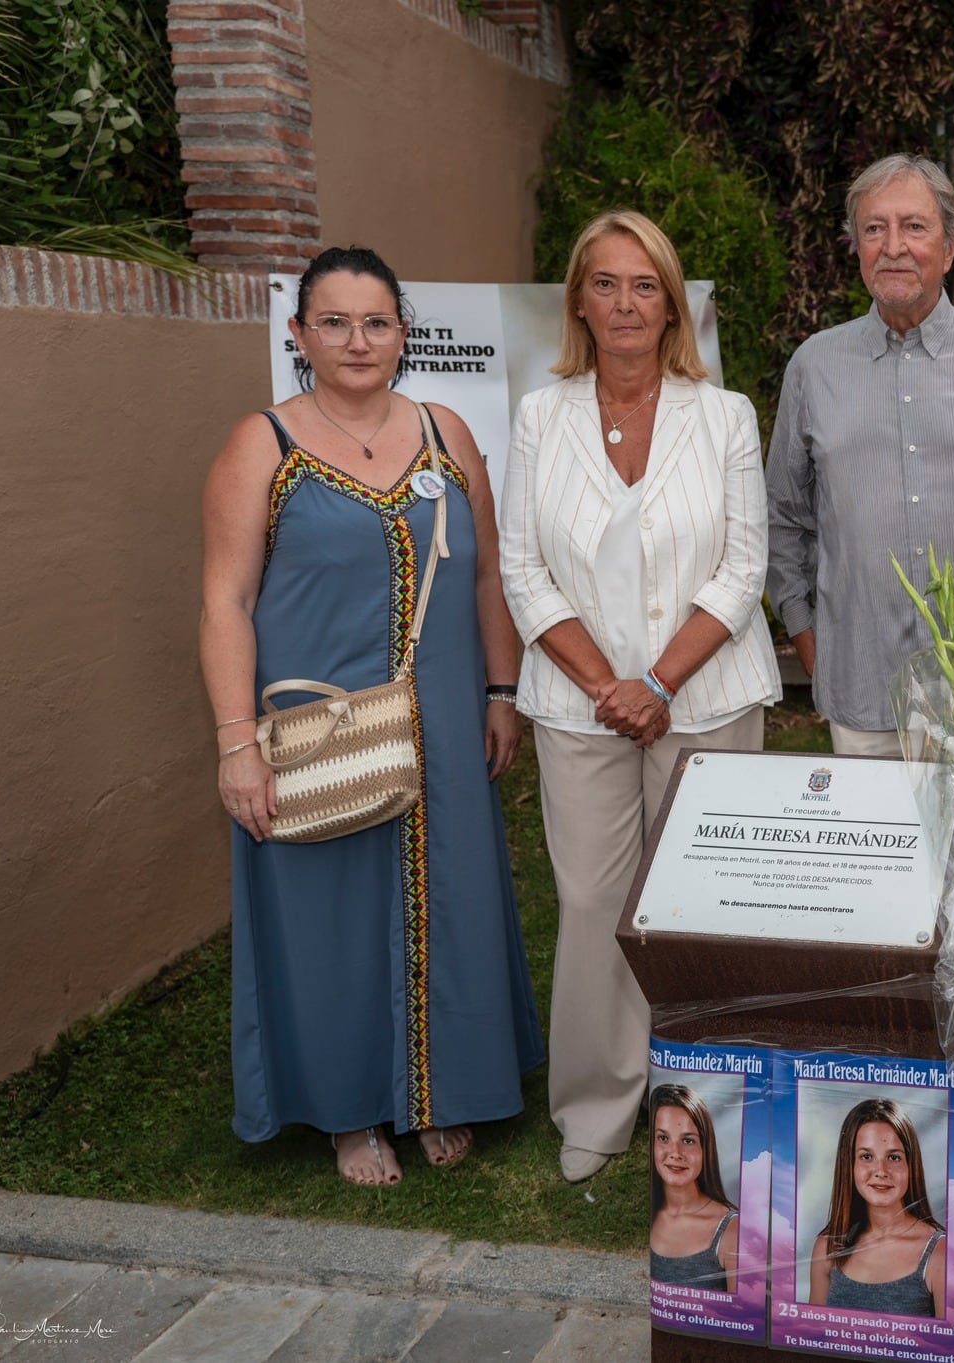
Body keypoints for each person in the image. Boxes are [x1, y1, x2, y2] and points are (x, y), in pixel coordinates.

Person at [201, 245, 544, 1188]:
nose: (358, 340)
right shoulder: (259, 444)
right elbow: (224, 601)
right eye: (336, 322)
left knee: (453, 898)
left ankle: (444, 1091)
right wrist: (238, 746)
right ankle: (354, 1114)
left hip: (438, 718)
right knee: (332, 914)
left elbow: (485, 574)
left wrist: (501, 693)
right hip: (321, 730)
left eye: (378, 321)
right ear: (299, 334)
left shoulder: (446, 431)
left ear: (404, 333)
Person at [501, 211, 781, 1184]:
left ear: (672, 305)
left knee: (701, 906)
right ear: (578, 298)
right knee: (590, 901)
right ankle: (598, 1104)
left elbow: (743, 566)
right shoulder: (541, 415)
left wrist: (659, 681)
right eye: (606, 283)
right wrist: (607, 686)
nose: (625, 302)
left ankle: (705, 1102)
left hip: (704, 695)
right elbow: (523, 569)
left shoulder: (726, 414)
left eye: (645, 284)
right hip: (579, 703)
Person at [766, 154, 954, 757]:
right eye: (874, 228)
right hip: (860, 687)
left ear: (950, 249)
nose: (893, 246)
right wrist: (807, 637)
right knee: (867, 855)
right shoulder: (814, 367)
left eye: (914, 227)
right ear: (856, 247)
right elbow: (784, 518)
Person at [809, 1098, 945, 1317]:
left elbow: (950, 1347)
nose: (881, 1170)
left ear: (911, 1165)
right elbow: (812, 1337)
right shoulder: (827, 1247)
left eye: (893, 1157)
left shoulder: (940, 1253)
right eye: (866, 1157)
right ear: (848, 1165)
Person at [648, 1084, 739, 1292]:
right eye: (663, 1138)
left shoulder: (731, 1231)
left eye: (688, 1140)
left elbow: (743, 1318)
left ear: (705, 1149)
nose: (675, 1152)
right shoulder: (650, 1213)